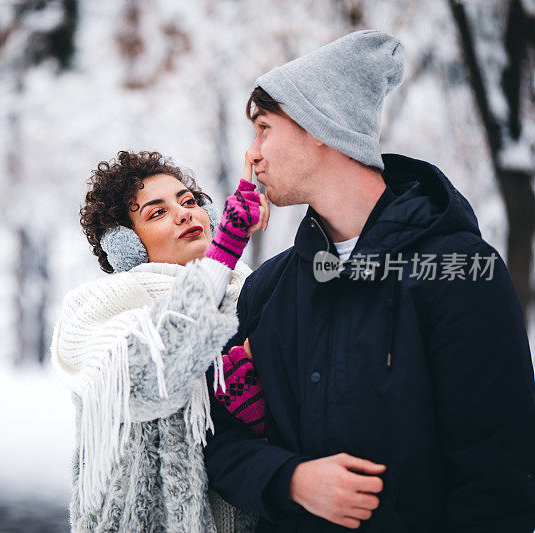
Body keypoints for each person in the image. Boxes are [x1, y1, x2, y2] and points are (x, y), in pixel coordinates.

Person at [203, 30, 535, 532]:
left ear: (318, 124)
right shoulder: (267, 290)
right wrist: (290, 479)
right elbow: (220, 436)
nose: (252, 155)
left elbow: (498, 476)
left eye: (264, 129)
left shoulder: (463, 271)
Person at [51, 150, 269, 532]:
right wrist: (225, 251)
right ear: (125, 245)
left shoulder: (252, 295)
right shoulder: (96, 312)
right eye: (157, 212)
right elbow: (147, 377)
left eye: (189, 202)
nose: (186, 213)